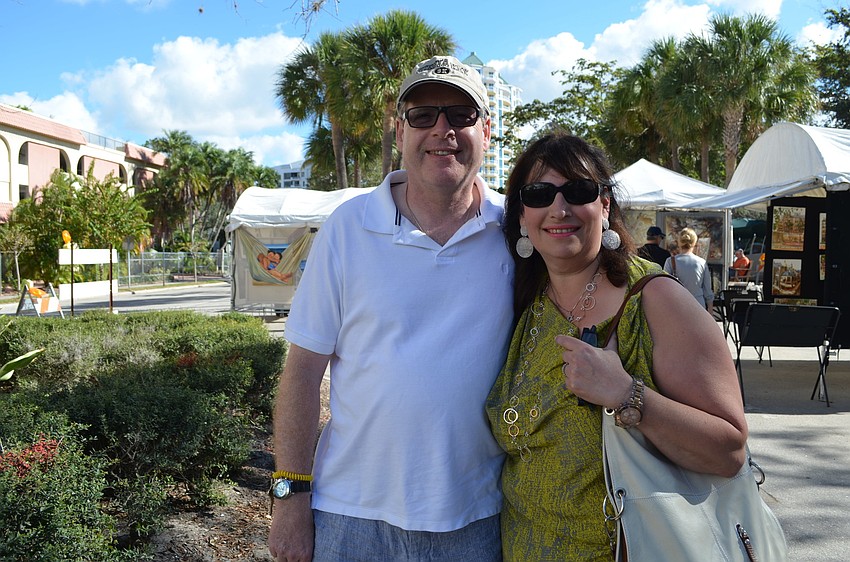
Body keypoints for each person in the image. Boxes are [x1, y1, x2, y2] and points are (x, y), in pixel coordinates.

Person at [268, 55, 514, 562]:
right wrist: (290, 498)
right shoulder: (347, 227)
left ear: (486, 131)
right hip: (350, 516)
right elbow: (303, 371)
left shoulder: (517, 233)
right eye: (423, 115)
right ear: (400, 130)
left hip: (478, 516)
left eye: (461, 115)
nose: (442, 129)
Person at [485, 132, 747, 561]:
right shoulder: (525, 305)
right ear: (521, 216)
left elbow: (729, 451)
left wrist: (627, 394)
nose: (559, 208)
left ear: (604, 205)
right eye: (539, 194)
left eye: (578, 191)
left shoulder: (656, 299)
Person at [663, 228, 714, 313]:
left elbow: (665, 287)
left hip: (677, 306)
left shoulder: (670, 261)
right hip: (698, 306)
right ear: (694, 242)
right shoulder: (702, 262)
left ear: (679, 242)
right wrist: (710, 310)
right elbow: (707, 291)